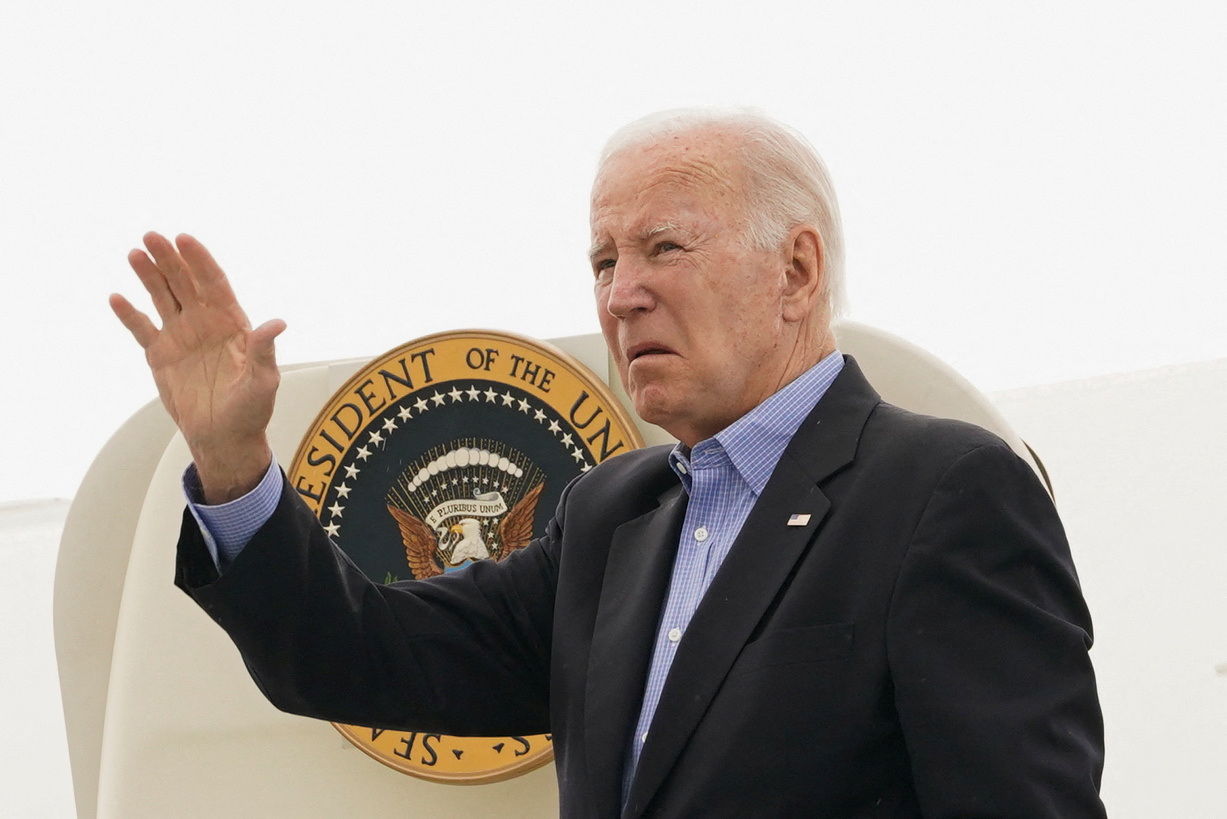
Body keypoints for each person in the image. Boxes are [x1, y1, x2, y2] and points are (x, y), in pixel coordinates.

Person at [111, 109, 1106, 817]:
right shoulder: (610, 520)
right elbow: (363, 654)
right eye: (602, 260)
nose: (622, 293)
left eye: (664, 247)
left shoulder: (943, 493)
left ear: (796, 271)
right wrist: (233, 461)